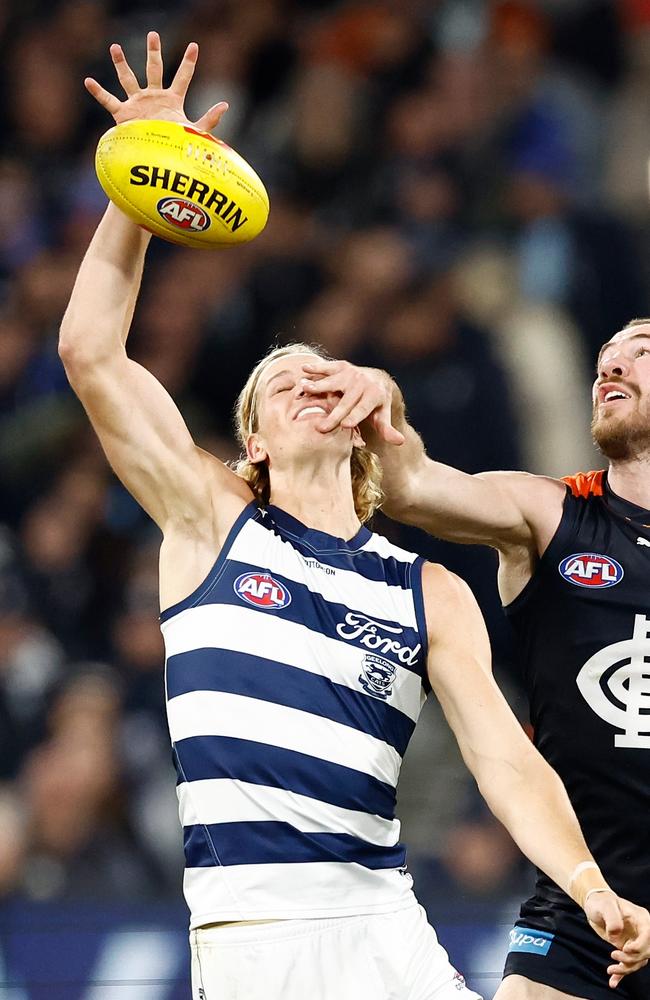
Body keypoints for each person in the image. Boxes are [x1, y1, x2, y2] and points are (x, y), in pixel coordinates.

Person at [60, 33, 650, 1000]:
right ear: (250, 443)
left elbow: (503, 756)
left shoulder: (427, 589)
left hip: (384, 923)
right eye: (278, 382)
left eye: (320, 375)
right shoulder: (211, 519)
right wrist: (140, 184)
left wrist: (589, 885)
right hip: (253, 930)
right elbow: (91, 353)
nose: (306, 384)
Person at [298, 322, 650, 999]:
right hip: (584, 914)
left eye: (641, 353)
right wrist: (385, 403)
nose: (612, 366)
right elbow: (412, 488)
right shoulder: (549, 513)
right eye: (605, 359)